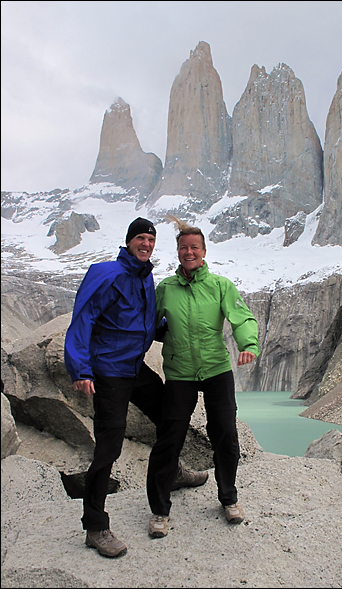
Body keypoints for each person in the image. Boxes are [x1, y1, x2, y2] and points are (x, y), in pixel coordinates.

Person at [64, 217, 208, 558]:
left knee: (169, 413)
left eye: (150, 239)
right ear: (129, 241)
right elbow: (82, 318)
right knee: (109, 446)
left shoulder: (145, 276)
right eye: (140, 238)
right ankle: (95, 527)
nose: (146, 244)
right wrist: (80, 369)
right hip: (108, 371)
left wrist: (169, 327)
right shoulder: (107, 274)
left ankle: (171, 471)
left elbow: (140, 321)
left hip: (133, 368)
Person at [146, 216, 260, 539]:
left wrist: (248, 344)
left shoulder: (220, 286)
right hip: (180, 373)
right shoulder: (165, 289)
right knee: (169, 438)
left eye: (194, 247)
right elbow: (149, 325)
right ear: (178, 252)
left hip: (216, 370)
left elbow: (242, 317)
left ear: (204, 251)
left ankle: (229, 498)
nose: (189, 252)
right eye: (184, 247)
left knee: (225, 432)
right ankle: (159, 510)